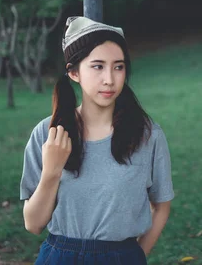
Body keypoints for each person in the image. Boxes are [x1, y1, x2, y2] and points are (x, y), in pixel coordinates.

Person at [20, 16, 174, 264]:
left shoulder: (148, 135)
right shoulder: (47, 134)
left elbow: (161, 206)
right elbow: (33, 224)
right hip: (60, 256)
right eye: (97, 66)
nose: (110, 79)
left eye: (118, 66)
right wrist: (51, 172)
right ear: (73, 72)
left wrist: (135, 256)